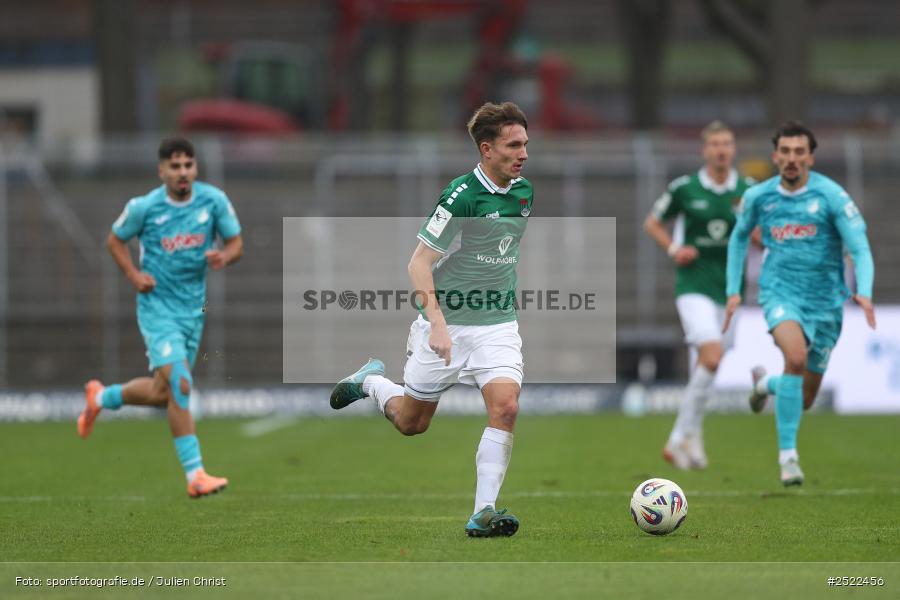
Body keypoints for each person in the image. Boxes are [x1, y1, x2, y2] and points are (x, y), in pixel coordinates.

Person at [329, 101, 532, 538]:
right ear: (486, 149)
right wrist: (437, 323)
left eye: (525, 144)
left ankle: (483, 512)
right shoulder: (460, 197)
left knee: (507, 407)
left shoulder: (523, 193)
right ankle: (370, 382)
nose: (523, 154)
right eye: (513, 145)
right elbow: (418, 263)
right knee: (411, 423)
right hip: (447, 325)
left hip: (497, 324)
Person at [77, 137, 244, 498]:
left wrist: (225, 257)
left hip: (193, 311)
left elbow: (236, 244)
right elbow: (114, 240)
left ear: (195, 168)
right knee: (181, 384)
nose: (183, 172)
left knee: (161, 393)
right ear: (162, 170)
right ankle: (195, 475)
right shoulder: (144, 207)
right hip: (157, 308)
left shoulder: (213, 201)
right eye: (175, 166)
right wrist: (133, 276)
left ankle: (100, 398)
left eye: (188, 165)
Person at [723, 121, 875, 486]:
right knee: (795, 357)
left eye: (799, 152)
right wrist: (733, 290)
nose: (792, 158)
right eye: (785, 152)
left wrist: (865, 291)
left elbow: (859, 248)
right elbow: (739, 239)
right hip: (780, 293)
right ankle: (788, 458)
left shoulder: (831, 196)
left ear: (810, 157)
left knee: (805, 397)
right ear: (775, 156)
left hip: (826, 303)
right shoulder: (760, 197)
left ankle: (765, 384)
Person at [644, 121, 755, 470]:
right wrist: (675, 248)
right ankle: (678, 438)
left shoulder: (748, 190)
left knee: (709, 364)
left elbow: (760, 235)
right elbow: (652, 222)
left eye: (727, 143)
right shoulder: (685, 188)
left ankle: (694, 436)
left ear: (733, 149)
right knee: (711, 356)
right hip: (693, 285)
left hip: (731, 289)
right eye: (715, 144)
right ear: (705, 150)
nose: (721, 150)